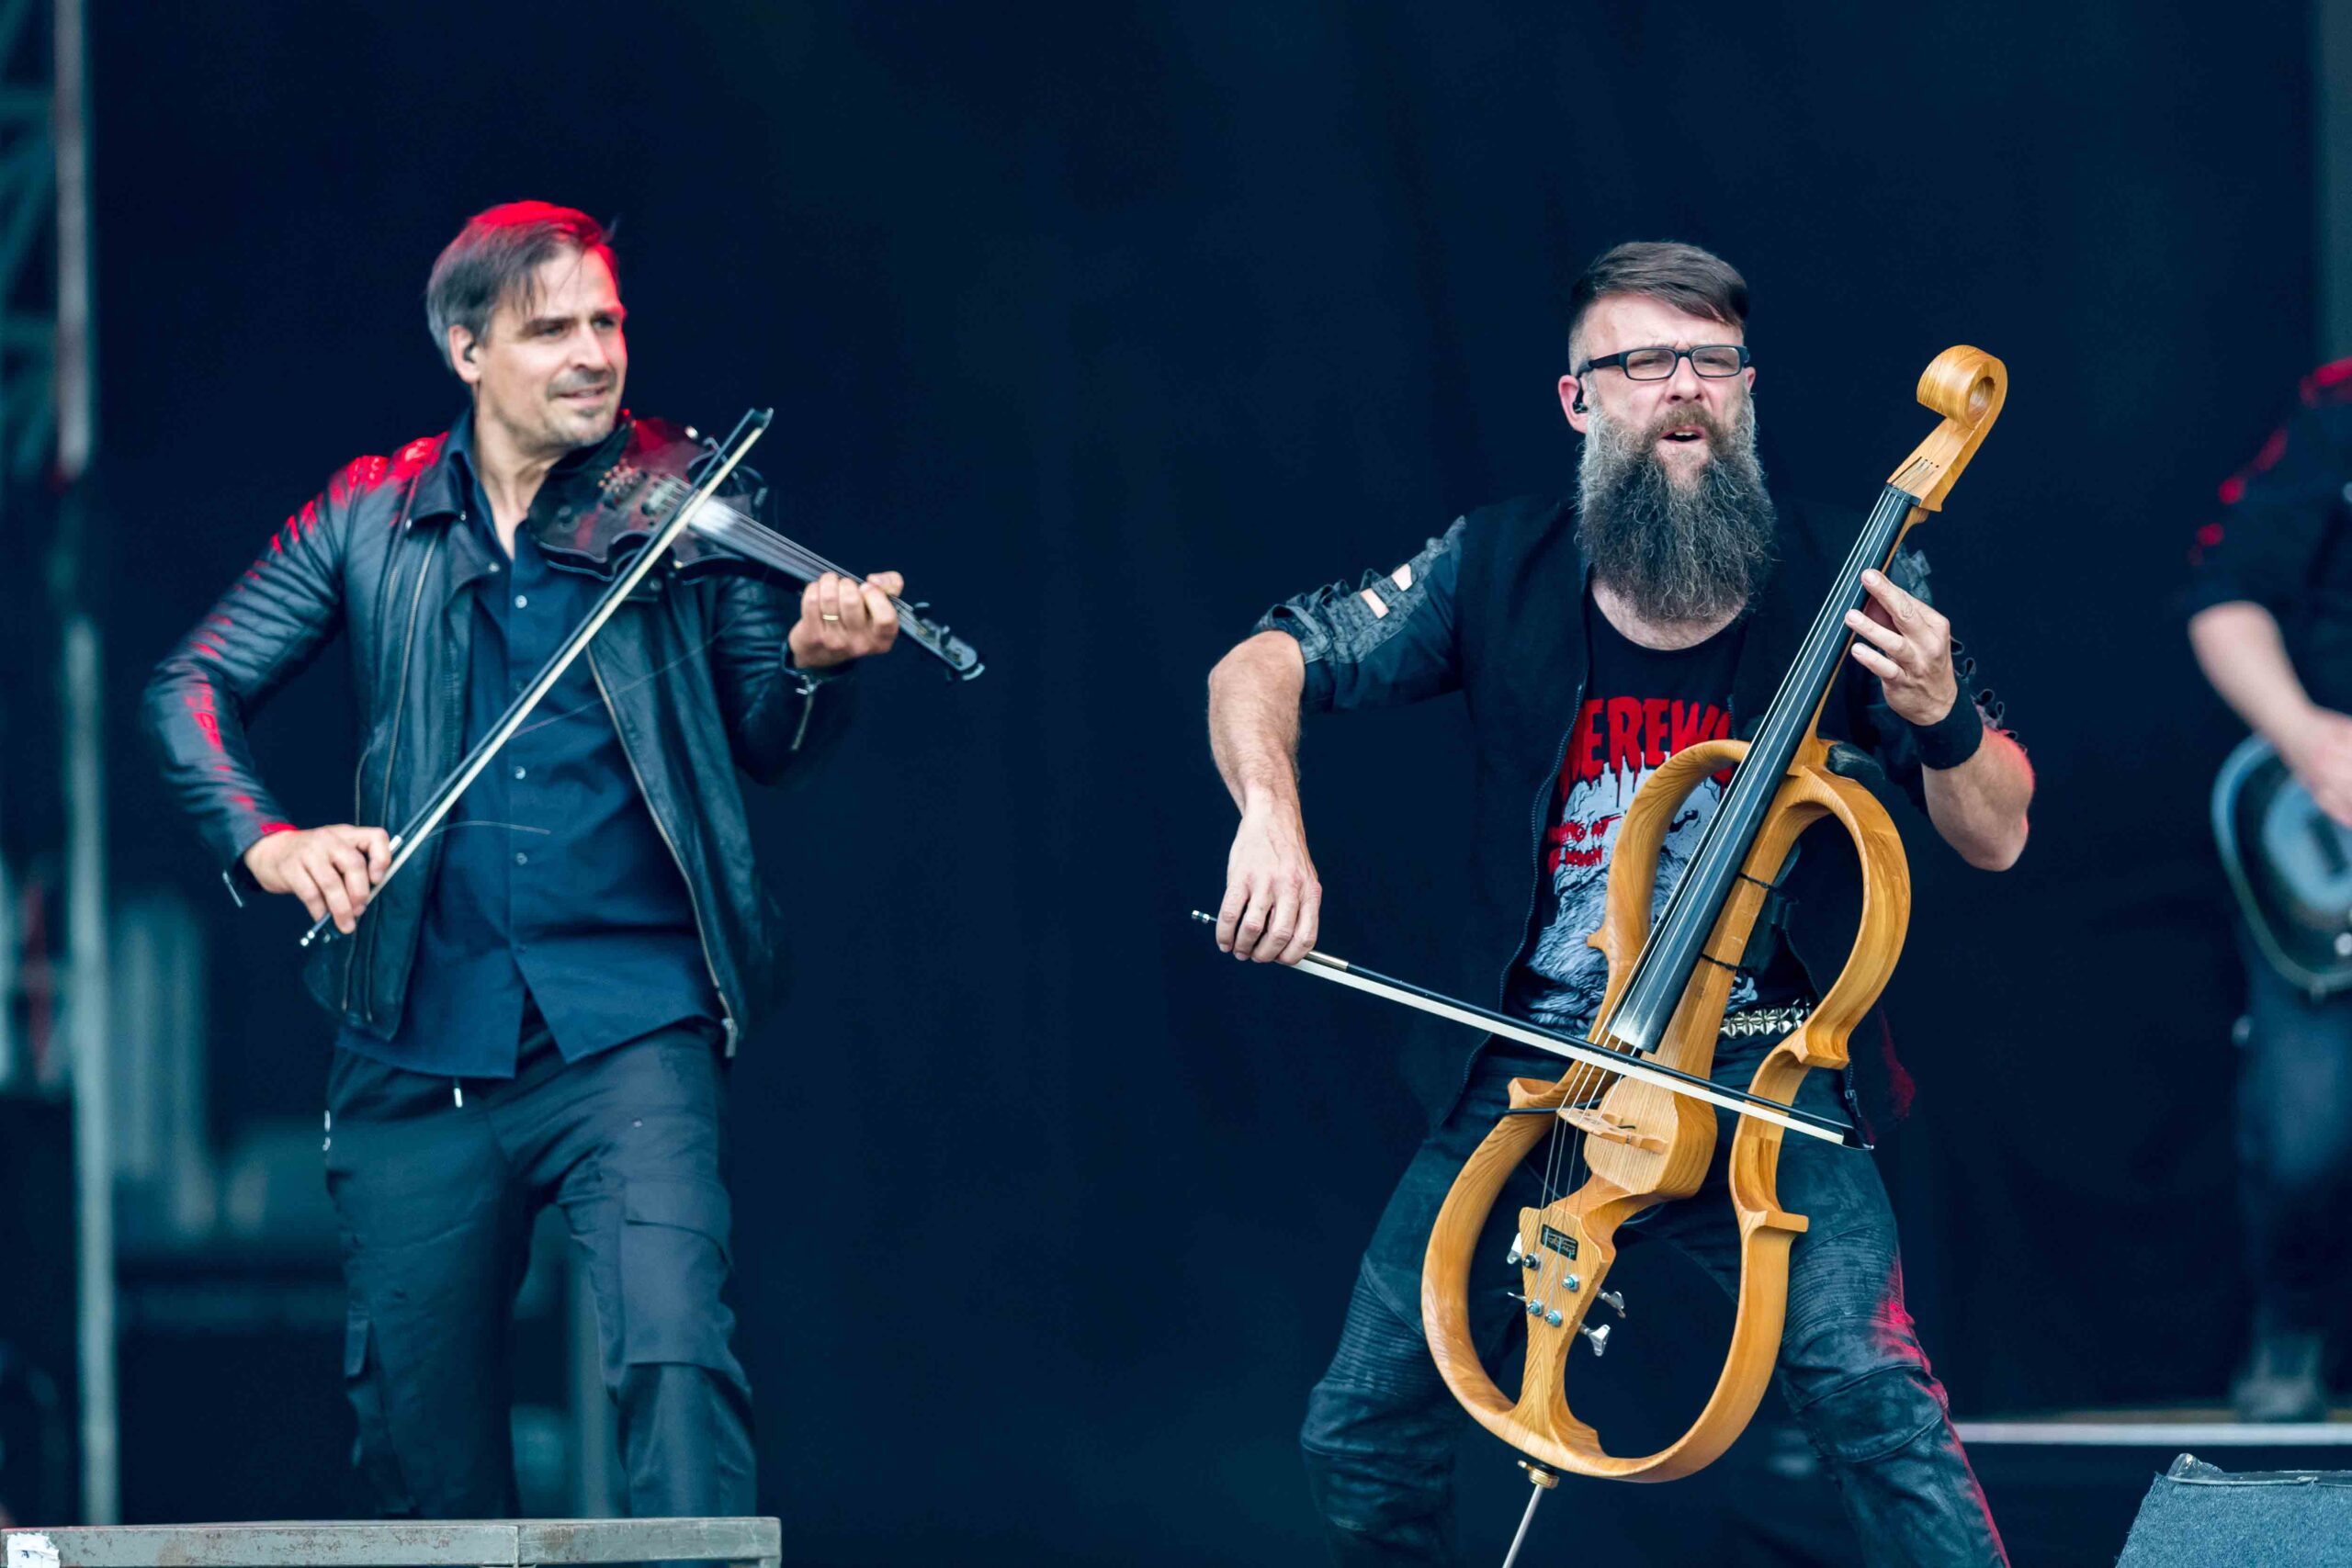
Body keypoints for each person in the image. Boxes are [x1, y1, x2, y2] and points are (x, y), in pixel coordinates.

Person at [1205, 242, 2032, 1565]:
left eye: (1712, 360)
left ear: (1746, 389)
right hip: (1543, 1058)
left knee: (1872, 1396)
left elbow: (1996, 832)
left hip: (1760, 1066)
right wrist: (1270, 815)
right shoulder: (1494, 563)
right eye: (1644, 361)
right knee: (1359, 1428)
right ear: (1578, 398)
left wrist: (1940, 715)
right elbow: (1260, 662)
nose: (1683, 386)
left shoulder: (1855, 571)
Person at [141, 201, 905, 1518]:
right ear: (466, 349)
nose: (594, 354)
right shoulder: (367, 514)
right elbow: (190, 683)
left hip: (628, 1025)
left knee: (675, 1350)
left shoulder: (686, 499)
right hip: (413, 1039)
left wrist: (813, 664)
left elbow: (767, 738)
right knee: (419, 1442)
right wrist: (270, 841)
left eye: (608, 321)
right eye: (552, 328)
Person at [2187, 359, 2352, 1421]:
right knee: (2307, 1136)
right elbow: (2224, 600)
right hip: (2328, 841)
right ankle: (2290, 1326)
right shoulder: (2341, 414)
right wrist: (2309, 739)